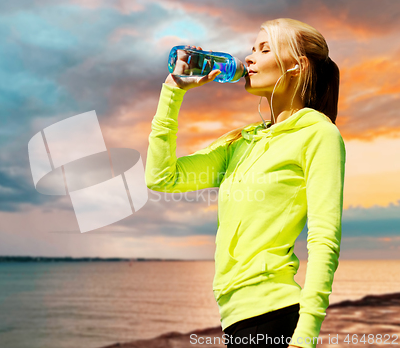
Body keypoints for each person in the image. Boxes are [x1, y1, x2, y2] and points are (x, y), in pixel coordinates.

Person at [145, 18, 345, 348]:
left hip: (276, 316)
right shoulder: (241, 142)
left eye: (264, 49)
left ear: (297, 66)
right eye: (251, 49)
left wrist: (305, 337)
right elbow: (161, 178)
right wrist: (172, 91)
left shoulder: (318, 134)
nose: (249, 58)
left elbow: (325, 239)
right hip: (236, 320)